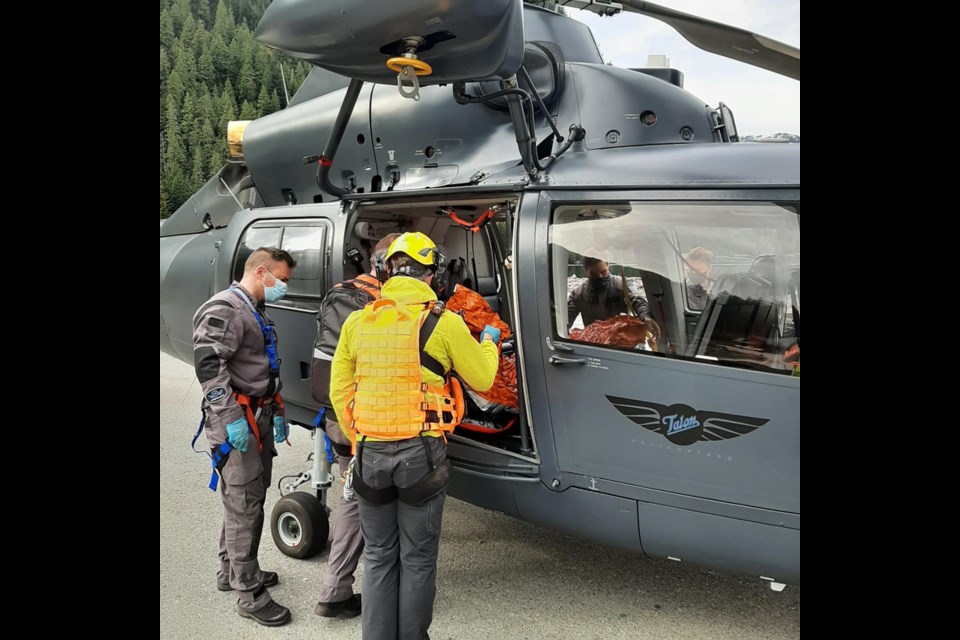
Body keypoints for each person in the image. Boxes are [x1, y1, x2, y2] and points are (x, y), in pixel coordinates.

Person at [330, 232, 499, 640]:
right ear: (433, 275)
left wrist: (364, 435)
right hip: (420, 455)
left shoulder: (357, 321)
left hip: (369, 455)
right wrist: (490, 342)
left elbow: (339, 391)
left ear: (387, 271)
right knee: (418, 558)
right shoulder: (445, 323)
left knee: (378, 555)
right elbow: (484, 378)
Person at [192, 247, 296, 627]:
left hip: (258, 414)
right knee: (245, 505)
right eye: (282, 280)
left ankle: (230, 571)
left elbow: (261, 364)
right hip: (237, 420)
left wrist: (277, 411)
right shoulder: (224, 309)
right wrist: (231, 418)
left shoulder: (252, 308)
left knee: (244, 500)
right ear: (262, 272)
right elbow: (208, 365)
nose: (284, 287)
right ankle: (249, 594)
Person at [311, 232, 400, 619]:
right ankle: (341, 590)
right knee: (365, 503)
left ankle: (338, 587)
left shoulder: (339, 292)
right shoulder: (386, 306)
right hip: (368, 421)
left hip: (336, 414)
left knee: (353, 496)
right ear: (390, 266)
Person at [567, 256, 660, 338]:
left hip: (622, 343)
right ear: (586, 271)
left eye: (603, 272)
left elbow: (637, 300)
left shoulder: (622, 284)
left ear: (608, 266)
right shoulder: (577, 294)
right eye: (594, 275)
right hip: (595, 344)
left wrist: (645, 316)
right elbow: (565, 320)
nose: (600, 277)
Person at [684, 246, 714, 311]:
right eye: (691, 270)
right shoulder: (682, 293)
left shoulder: (718, 291)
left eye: (698, 270)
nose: (694, 273)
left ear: (709, 268)